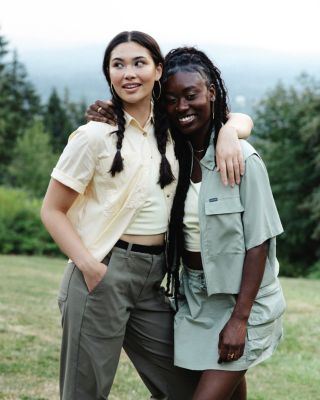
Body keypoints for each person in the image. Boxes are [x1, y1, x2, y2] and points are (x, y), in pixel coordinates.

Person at [41, 31, 253, 400]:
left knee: (188, 388)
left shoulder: (171, 127)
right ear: (108, 74)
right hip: (102, 272)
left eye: (139, 63)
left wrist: (229, 134)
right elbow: (52, 210)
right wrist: (91, 268)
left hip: (154, 279)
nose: (128, 73)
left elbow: (239, 118)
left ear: (158, 70)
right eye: (117, 65)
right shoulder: (95, 135)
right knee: (85, 393)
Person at [161, 47, 286, 400]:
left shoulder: (243, 158)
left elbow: (258, 243)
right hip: (197, 299)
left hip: (245, 300)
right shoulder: (173, 155)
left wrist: (240, 320)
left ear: (211, 93)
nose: (182, 106)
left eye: (191, 95)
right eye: (172, 99)